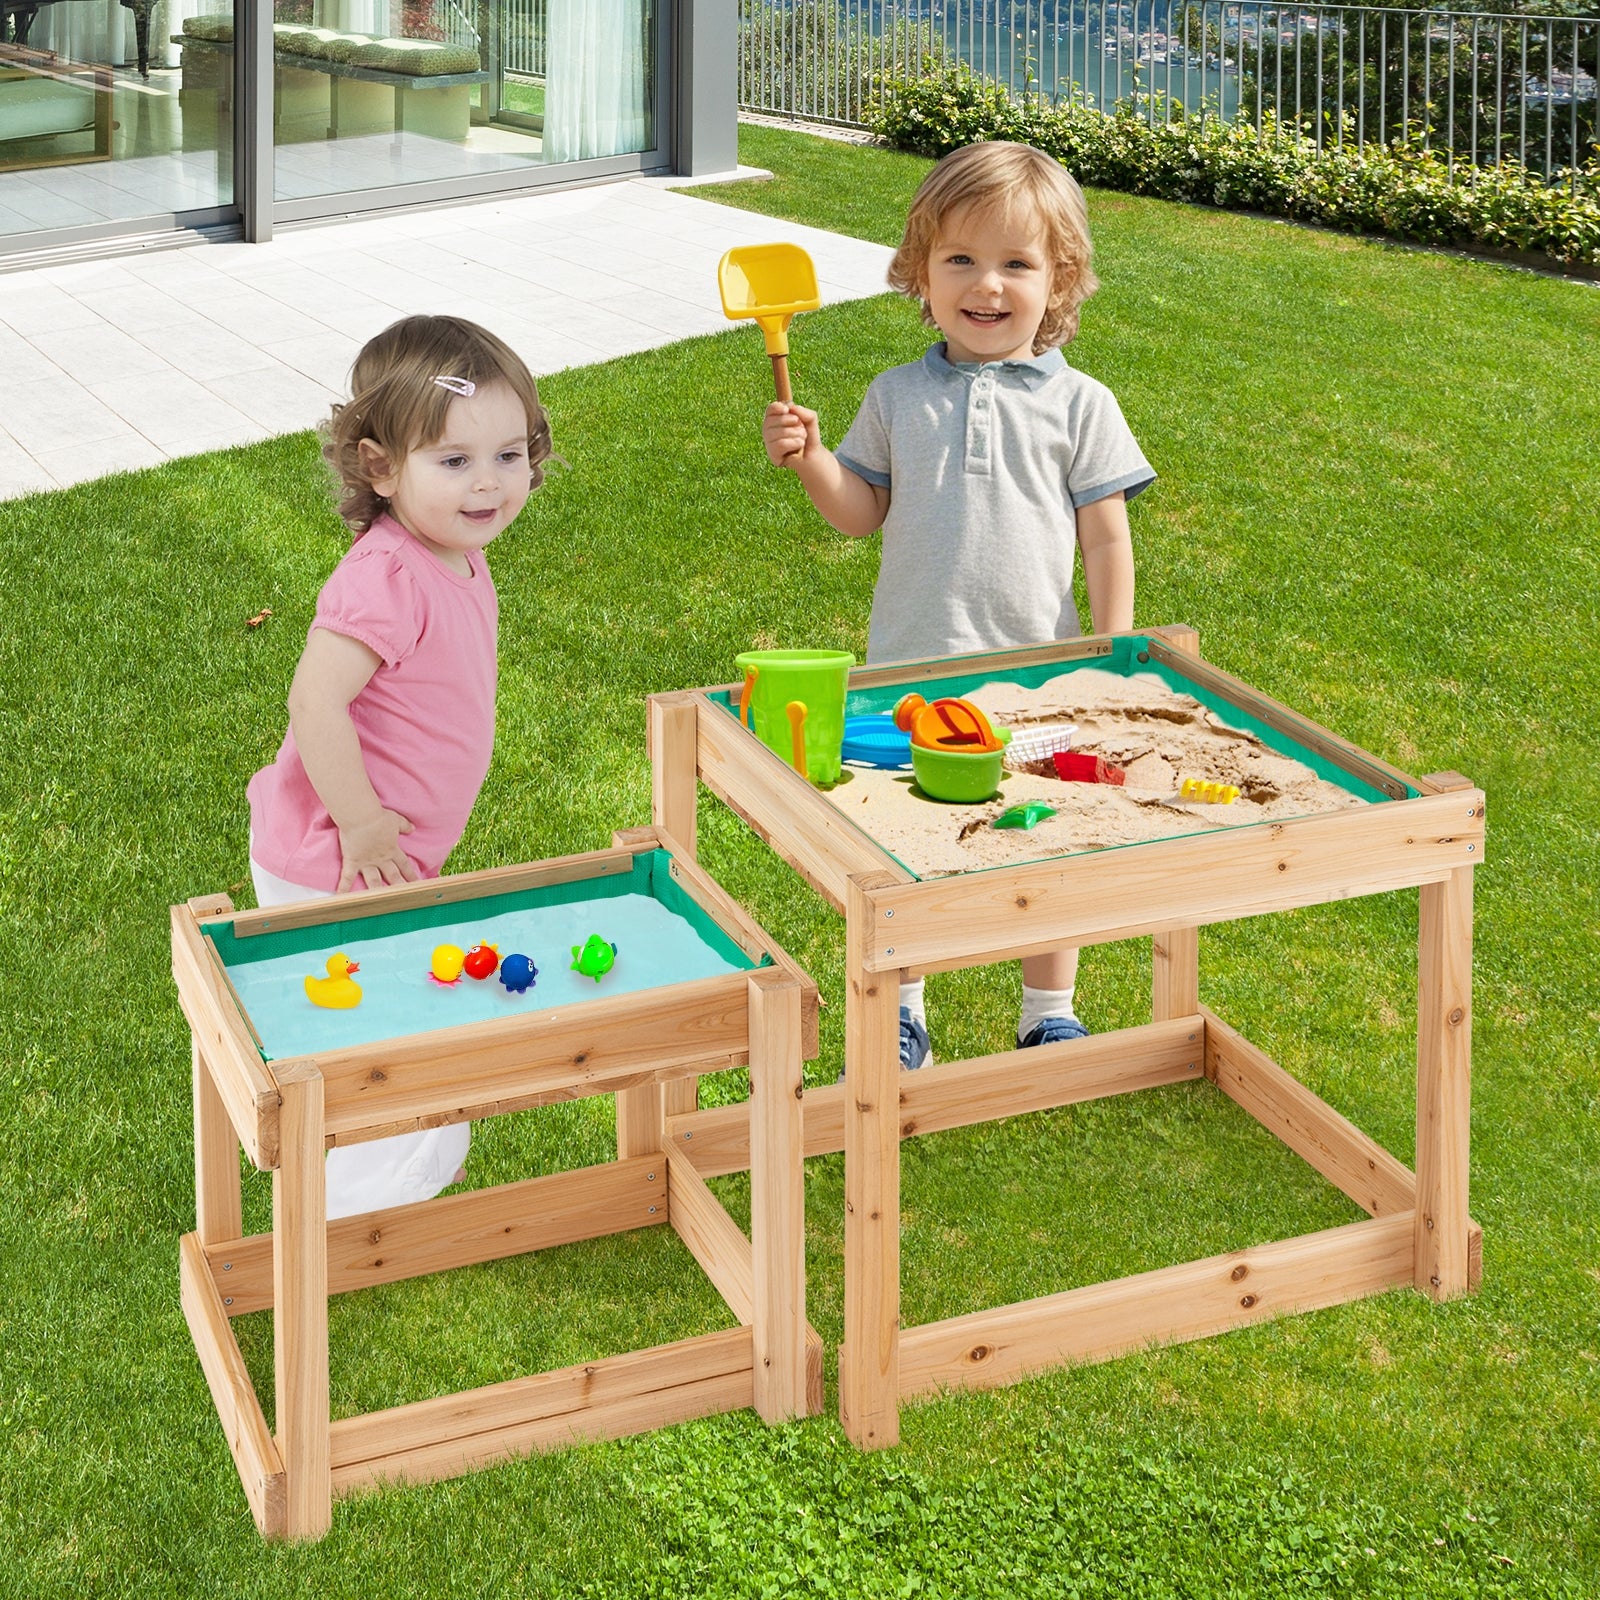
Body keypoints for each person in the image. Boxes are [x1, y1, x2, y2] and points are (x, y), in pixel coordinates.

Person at [761, 140, 1154, 1070]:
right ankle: (906, 1007)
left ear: (1058, 280)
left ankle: (1049, 1006)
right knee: (909, 844)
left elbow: (1104, 535)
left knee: (1052, 837)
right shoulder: (897, 396)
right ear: (921, 274)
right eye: (962, 261)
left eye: (1017, 263)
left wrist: (1115, 640)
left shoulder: (1083, 405)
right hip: (913, 668)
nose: (988, 285)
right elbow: (861, 515)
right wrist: (811, 458)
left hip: (1038, 672)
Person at [248, 314, 553, 1217]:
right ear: (381, 468)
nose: (490, 482)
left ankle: (373, 1187)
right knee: (375, 1043)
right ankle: (347, 1214)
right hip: (335, 858)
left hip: (378, 858)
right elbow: (315, 701)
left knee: (386, 1024)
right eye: (453, 462)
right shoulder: (387, 575)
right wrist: (364, 822)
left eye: (509, 453)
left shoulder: (456, 554)